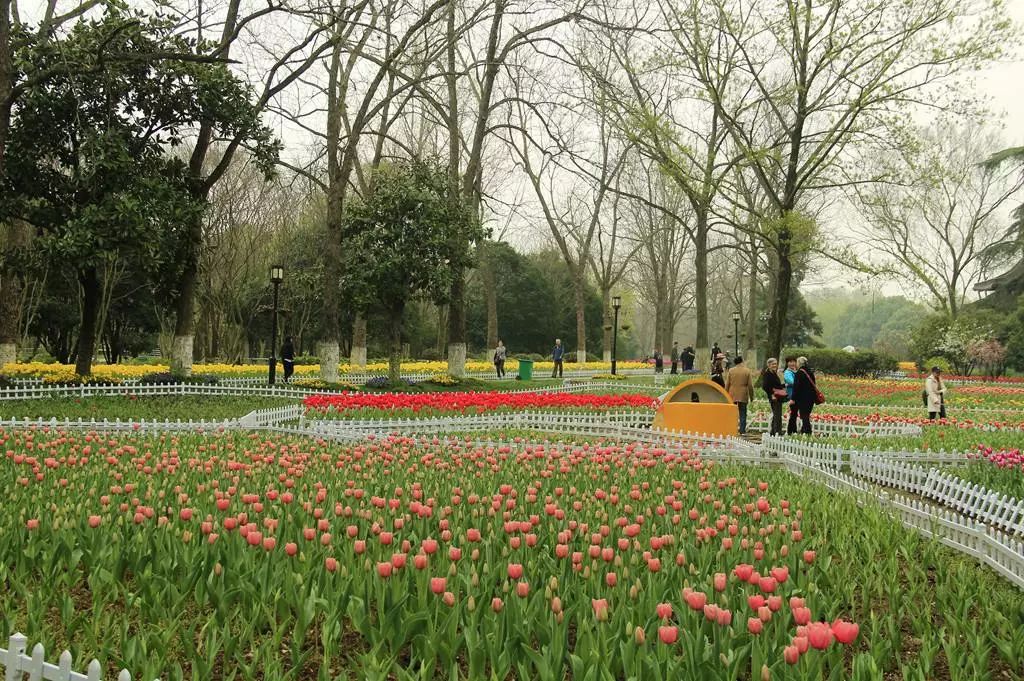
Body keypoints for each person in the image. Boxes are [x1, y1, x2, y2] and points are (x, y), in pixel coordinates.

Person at [725, 355, 754, 434]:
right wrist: (751, 397)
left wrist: (725, 394)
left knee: (732, 413)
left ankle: (731, 429)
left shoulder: (731, 371)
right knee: (743, 413)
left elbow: (727, 384)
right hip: (743, 393)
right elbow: (750, 386)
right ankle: (742, 430)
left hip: (732, 393)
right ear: (742, 361)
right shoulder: (747, 371)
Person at [790, 356, 819, 435]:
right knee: (806, 414)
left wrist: (793, 399)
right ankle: (804, 431)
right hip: (811, 398)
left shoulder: (799, 373)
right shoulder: (810, 372)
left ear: (799, 363)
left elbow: (796, 387)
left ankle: (807, 432)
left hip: (803, 398)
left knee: (804, 416)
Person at [761, 358, 786, 436]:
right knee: (777, 415)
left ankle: (773, 431)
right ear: (768, 365)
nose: (775, 365)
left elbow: (776, 385)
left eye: (776, 364)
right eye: (773, 364)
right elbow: (765, 386)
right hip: (774, 397)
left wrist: (784, 385)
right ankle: (777, 432)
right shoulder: (767, 374)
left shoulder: (773, 373)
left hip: (778, 396)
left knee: (776, 414)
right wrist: (772, 394)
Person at [784, 356, 799, 434]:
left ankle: (793, 430)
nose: (792, 363)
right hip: (791, 396)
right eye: (790, 362)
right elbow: (792, 382)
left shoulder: (796, 371)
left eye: (794, 361)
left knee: (795, 413)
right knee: (793, 413)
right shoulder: (787, 372)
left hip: (797, 395)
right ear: (787, 363)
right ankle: (791, 431)